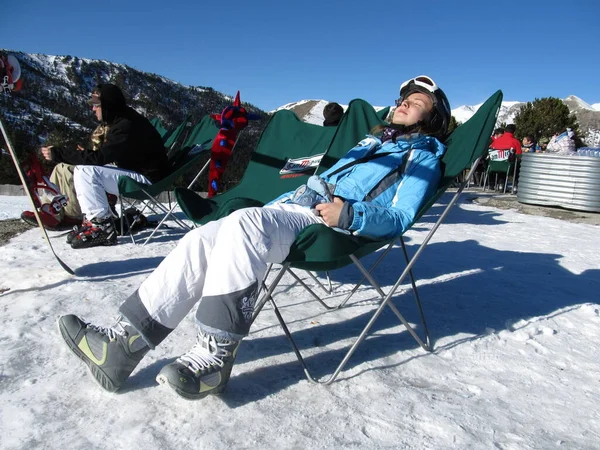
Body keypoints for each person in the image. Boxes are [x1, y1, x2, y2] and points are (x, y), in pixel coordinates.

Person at [57, 75, 452, 399]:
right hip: (296, 206)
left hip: (330, 224)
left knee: (245, 224)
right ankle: (123, 346)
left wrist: (349, 213)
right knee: (204, 237)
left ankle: (215, 356)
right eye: (404, 99)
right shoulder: (373, 141)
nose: (403, 104)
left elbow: (400, 216)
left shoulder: (423, 157)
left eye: (416, 104)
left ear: (430, 121)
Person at [38, 84, 169, 249]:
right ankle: (96, 222)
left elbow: (99, 158)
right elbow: (106, 155)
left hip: (147, 180)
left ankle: (101, 227)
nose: (93, 109)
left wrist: (59, 154)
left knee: (85, 171)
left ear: (108, 105)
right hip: (142, 173)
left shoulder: (125, 126)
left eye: (96, 105)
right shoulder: (124, 120)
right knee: (84, 169)